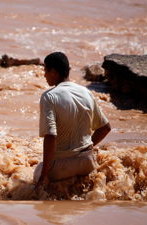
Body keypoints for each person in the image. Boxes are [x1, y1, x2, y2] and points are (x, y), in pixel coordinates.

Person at [34, 52, 111, 193]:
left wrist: (44, 175)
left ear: (53, 71)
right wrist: (87, 149)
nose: (44, 75)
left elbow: (51, 135)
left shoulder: (49, 97)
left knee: (37, 173)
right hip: (87, 162)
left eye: (45, 70)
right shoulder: (86, 92)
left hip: (62, 167)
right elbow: (105, 127)